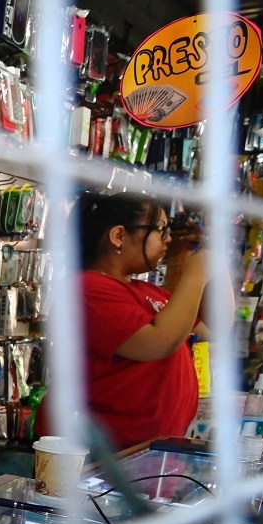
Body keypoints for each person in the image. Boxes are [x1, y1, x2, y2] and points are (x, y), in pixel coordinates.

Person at [79, 190, 211, 450]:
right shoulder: (88, 288)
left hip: (152, 450)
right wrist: (196, 273)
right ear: (118, 236)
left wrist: (202, 262)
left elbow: (214, 328)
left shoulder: (146, 291)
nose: (169, 239)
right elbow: (158, 342)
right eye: (160, 230)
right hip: (109, 455)